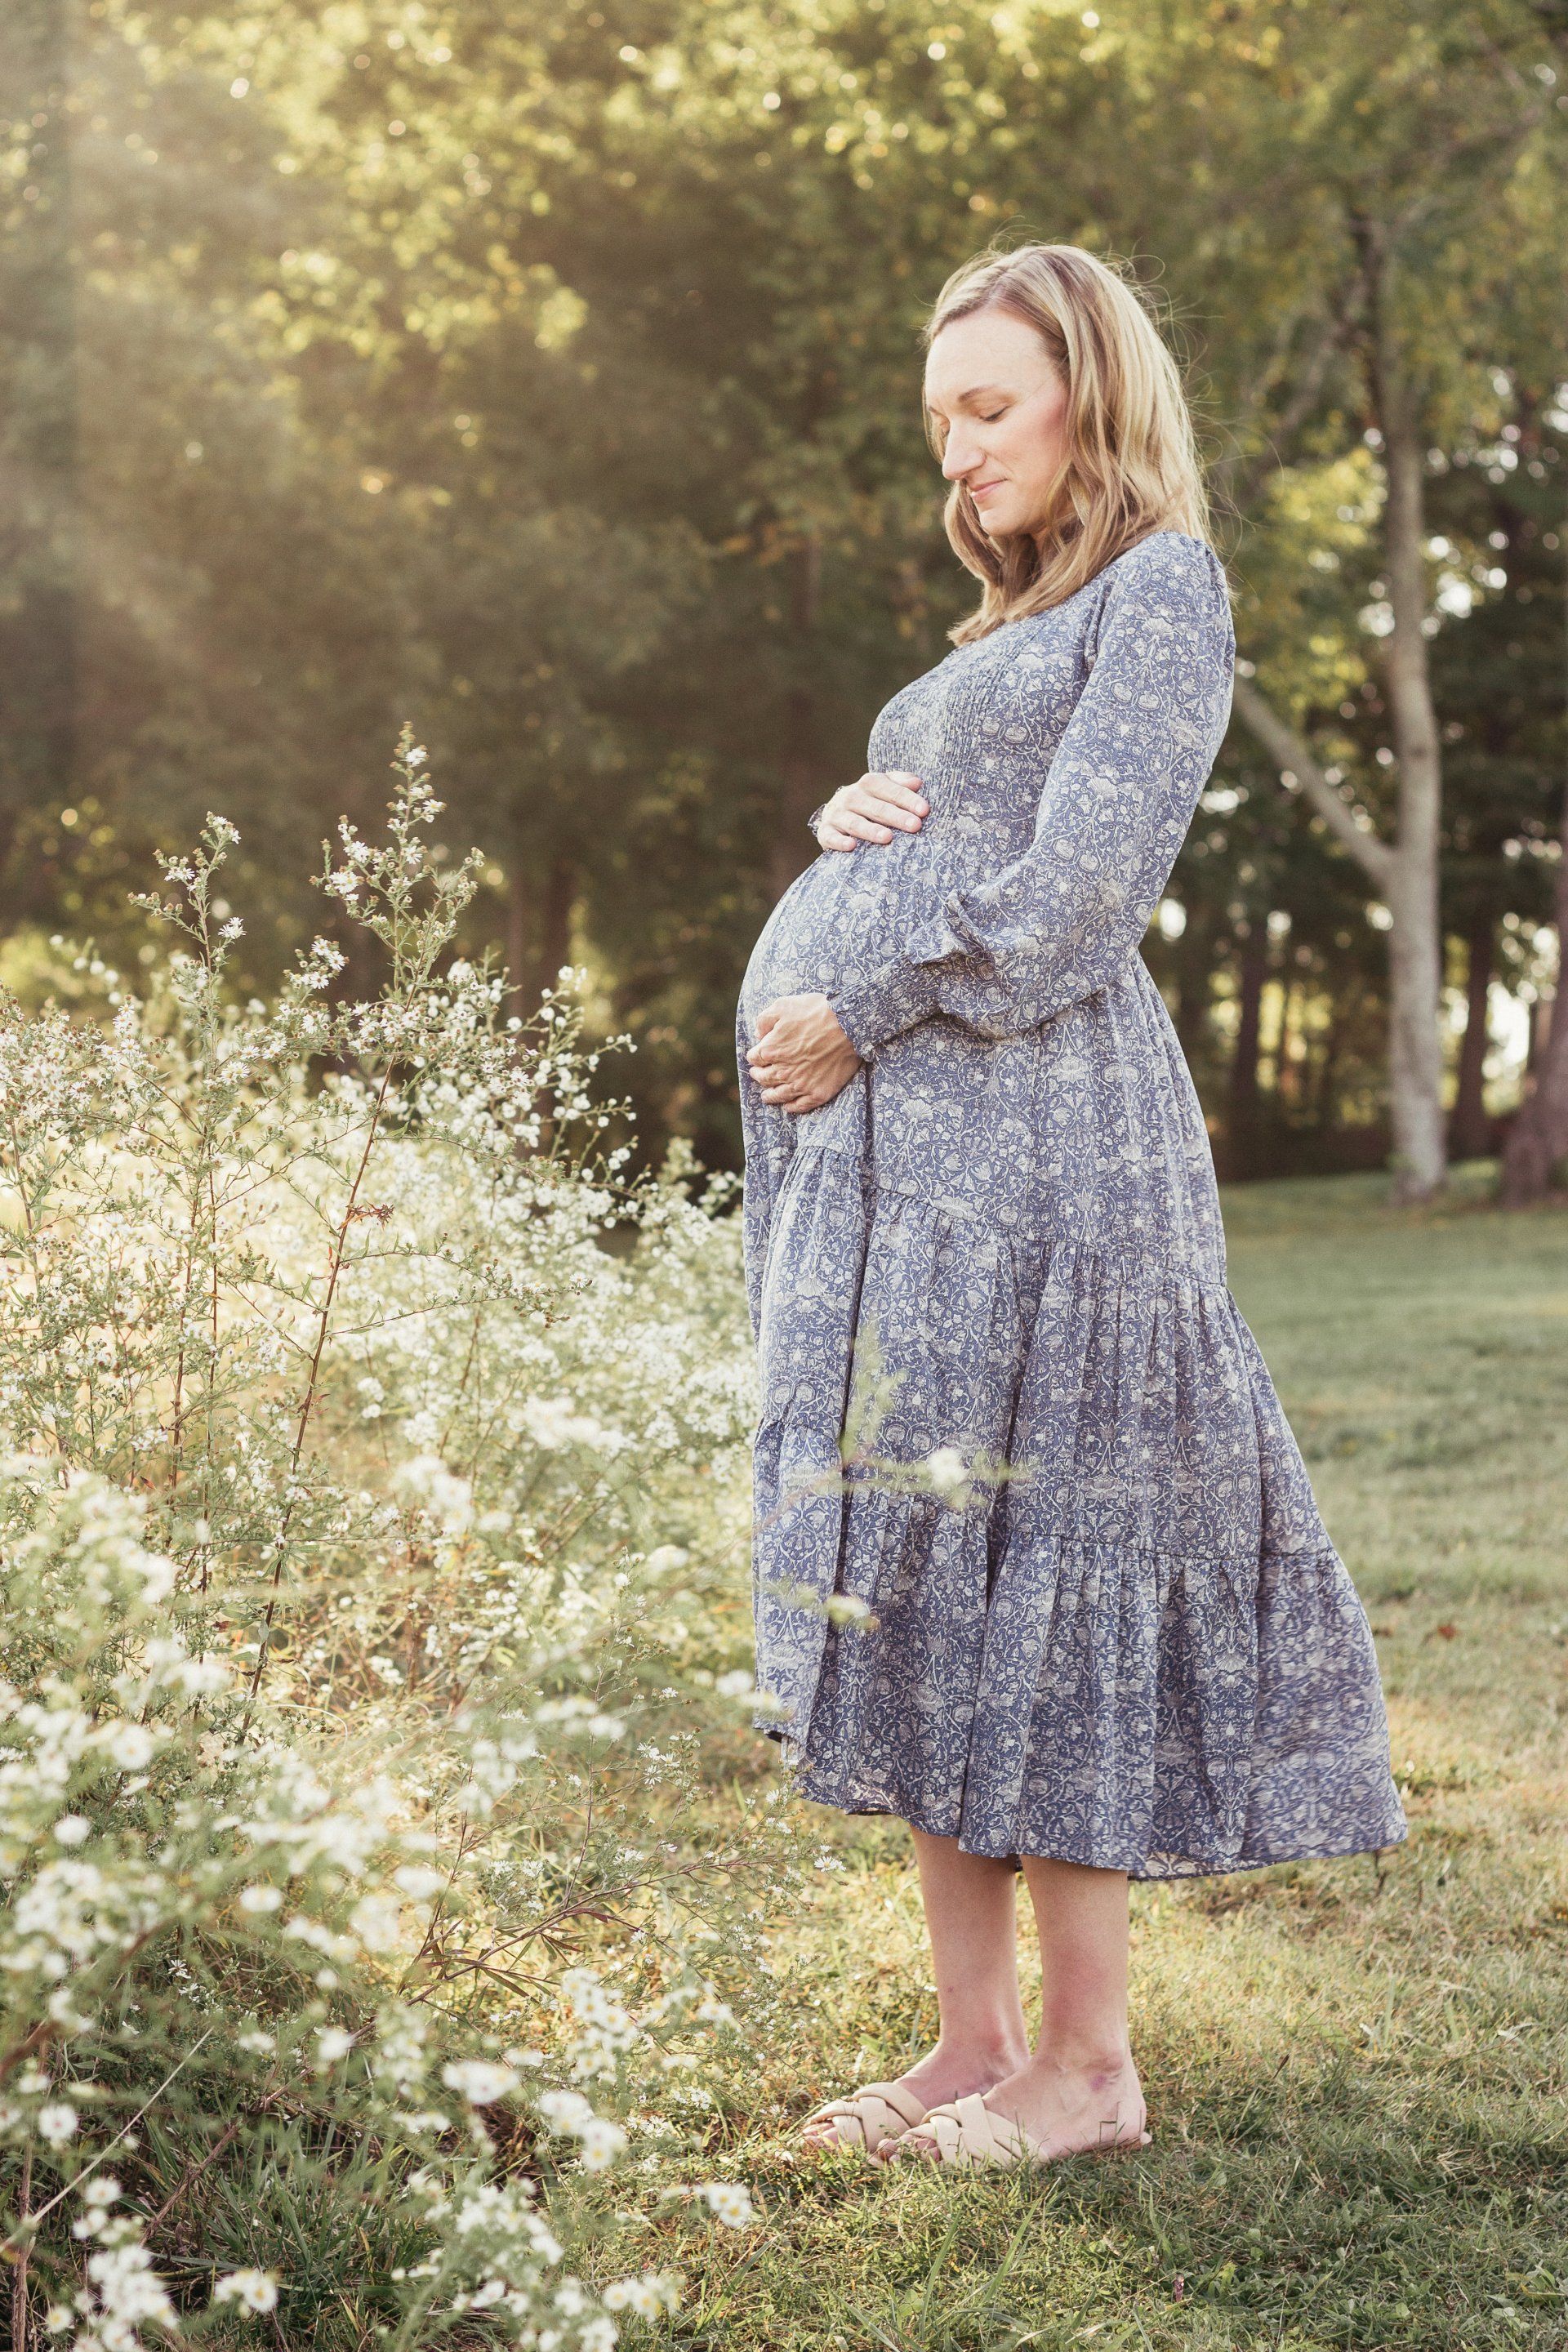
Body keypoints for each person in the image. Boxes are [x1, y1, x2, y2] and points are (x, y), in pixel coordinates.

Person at [734, 242, 1406, 2173]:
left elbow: (1084, 893)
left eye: (990, 405)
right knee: (932, 1561)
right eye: (939, 417)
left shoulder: (1163, 589)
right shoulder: (997, 631)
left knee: (1054, 1556)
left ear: (1092, 396)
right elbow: (972, 822)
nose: (957, 448)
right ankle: (973, 2045)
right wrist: (858, 810)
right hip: (912, 1179)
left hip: (1054, 1167)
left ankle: (1091, 2068)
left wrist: (862, 992)